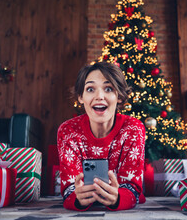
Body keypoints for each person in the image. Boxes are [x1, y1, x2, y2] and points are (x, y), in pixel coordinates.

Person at [57, 61, 146, 211]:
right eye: (90, 89)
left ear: (120, 96)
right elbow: (69, 190)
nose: (99, 96)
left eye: (108, 88)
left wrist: (118, 197)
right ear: (80, 97)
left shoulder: (133, 129)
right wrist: (77, 198)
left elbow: (132, 189)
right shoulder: (68, 131)